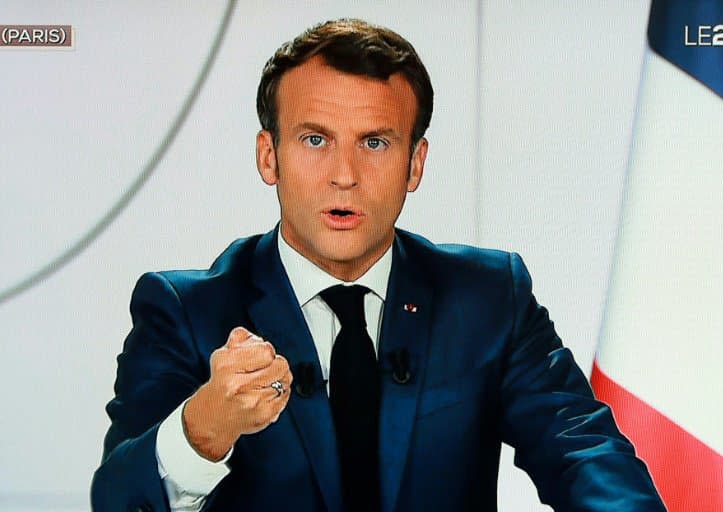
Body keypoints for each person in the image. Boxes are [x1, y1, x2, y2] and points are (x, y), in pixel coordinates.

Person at [91, 18, 666, 512]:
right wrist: (202, 432)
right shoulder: (185, 309)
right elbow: (116, 499)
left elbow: (583, 451)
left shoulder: (491, 298)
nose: (345, 174)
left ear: (415, 164)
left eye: (375, 143)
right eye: (316, 140)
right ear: (270, 156)